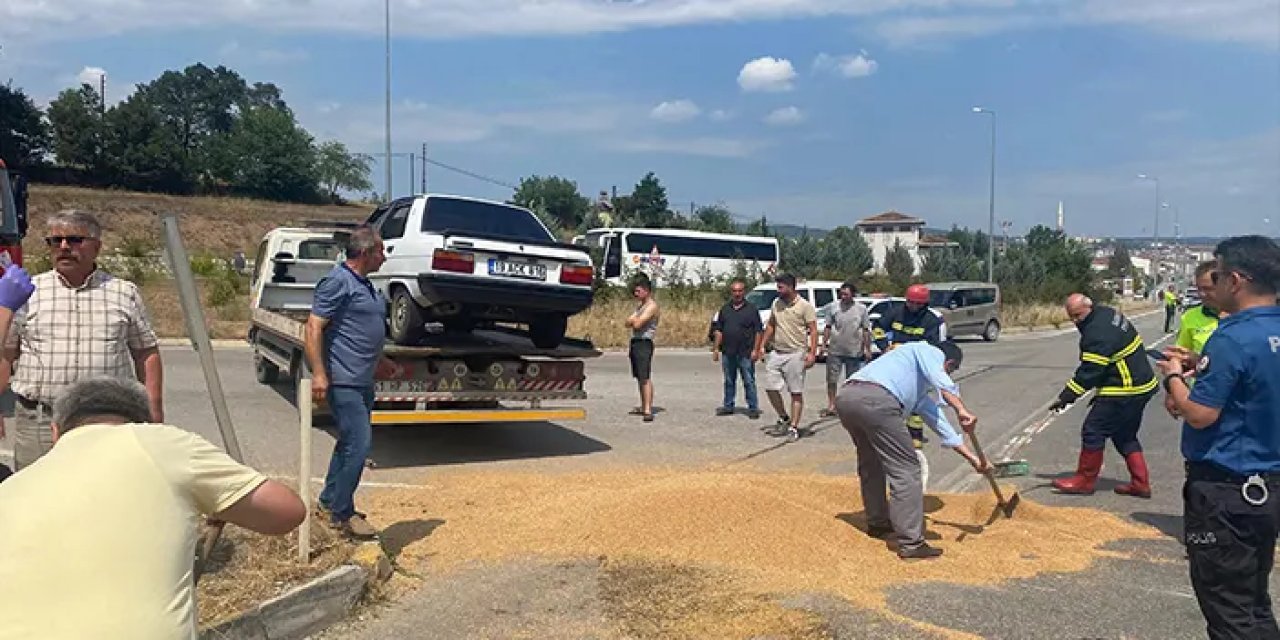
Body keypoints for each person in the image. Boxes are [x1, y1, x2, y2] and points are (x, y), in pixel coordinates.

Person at [0, 378, 306, 640]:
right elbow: (286, 511)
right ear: (145, 422)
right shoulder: (162, 444)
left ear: (55, 432)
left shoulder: (9, 491)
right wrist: (221, 502)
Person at [1157, 235, 1280, 639]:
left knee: (1229, 610)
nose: (1214, 284)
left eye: (1219, 275)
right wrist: (1204, 367)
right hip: (1267, 488)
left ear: (1238, 280)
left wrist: (1174, 374)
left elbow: (1198, 414)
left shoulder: (1230, 338)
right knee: (1253, 601)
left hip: (1227, 493)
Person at [0, 210, 163, 470]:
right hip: (40, 419)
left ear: (96, 247)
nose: (64, 247)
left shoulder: (123, 292)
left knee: (105, 492)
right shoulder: (27, 292)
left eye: (75, 240)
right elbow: (6, 355)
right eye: (56, 241)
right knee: (39, 496)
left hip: (107, 419)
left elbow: (146, 353)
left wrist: (153, 410)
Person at [835, 340, 989, 560]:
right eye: (951, 370)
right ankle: (911, 543)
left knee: (872, 463)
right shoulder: (927, 350)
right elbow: (941, 381)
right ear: (949, 363)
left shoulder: (914, 388)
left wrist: (973, 459)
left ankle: (878, 523)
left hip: (847, 398)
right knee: (906, 470)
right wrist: (961, 409)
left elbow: (940, 424)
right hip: (878, 400)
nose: (949, 373)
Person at [305, 225, 399, 539]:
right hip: (343, 382)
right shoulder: (337, 281)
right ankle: (340, 514)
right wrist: (319, 373)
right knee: (359, 446)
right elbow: (314, 328)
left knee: (348, 444)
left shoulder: (366, 286)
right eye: (381, 251)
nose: (385, 257)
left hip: (363, 381)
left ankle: (330, 503)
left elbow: (360, 332)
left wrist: (379, 361)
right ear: (366, 252)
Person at [1049, 293, 1158, 497]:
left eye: (1078, 316)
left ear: (1088, 308)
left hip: (1124, 388)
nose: (1075, 321)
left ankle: (1085, 480)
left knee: (1093, 430)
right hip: (1142, 385)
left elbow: (1090, 371)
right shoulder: (1106, 313)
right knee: (1125, 436)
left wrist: (1067, 396)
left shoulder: (1097, 332)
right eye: (1071, 317)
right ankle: (1140, 483)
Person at [874, 284, 948, 473]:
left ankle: (915, 443)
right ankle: (894, 439)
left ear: (924, 304)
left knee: (916, 405)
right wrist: (884, 346)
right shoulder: (896, 313)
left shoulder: (932, 320)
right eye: (910, 302)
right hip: (895, 365)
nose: (913, 306)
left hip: (917, 369)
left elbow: (935, 347)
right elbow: (877, 328)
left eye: (917, 303)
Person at [754, 273, 818, 438]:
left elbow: (813, 330)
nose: (778, 289)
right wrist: (762, 345)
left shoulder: (805, 306)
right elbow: (771, 326)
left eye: (781, 286)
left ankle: (794, 427)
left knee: (795, 392)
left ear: (791, 287)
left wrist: (812, 353)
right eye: (778, 286)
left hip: (796, 354)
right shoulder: (777, 304)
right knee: (770, 387)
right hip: (777, 352)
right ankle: (784, 417)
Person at [712, 279, 763, 419]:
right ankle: (728, 405)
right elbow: (719, 330)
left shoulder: (752, 309)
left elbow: (759, 331)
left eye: (740, 291)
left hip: (745, 352)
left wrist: (756, 350)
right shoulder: (725, 309)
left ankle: (753, 408)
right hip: (728, 351)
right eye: (734, 291)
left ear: (744, 292)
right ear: (731, 292)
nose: (737, 294)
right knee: (729, 380)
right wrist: (716, 349)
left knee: (748, 381)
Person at [821, 281, 871, 418]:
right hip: (835, 349)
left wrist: (867, 348)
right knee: (831, 380)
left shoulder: (861, 309)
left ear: (853, 295)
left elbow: (866, 329)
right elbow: (828, 327)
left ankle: (850, 407)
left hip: (854, 350)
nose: (843, 297)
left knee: (852, 381)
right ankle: (831, 405)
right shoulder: (833, 307)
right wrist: (824, 344)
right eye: (841, 294)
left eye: (846, 294)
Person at [624, 274, 660, 422]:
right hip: (636, 342)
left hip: (644, 343)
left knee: (645, 377)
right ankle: (643, 404)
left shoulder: (652, 306)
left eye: (638, 291)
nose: (635, 294)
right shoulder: (640, 306)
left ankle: (648, 409)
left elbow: (637, 324)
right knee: (639, 376)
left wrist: (634, 320)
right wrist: (633, 320)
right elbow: (627, 322)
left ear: (646, 290)